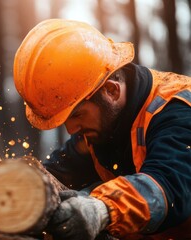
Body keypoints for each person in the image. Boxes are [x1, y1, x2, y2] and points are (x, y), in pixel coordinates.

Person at [13, 19, 191, 239]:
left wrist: (102, 209)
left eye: (76, 115)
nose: (71, 129)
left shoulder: (177, 111)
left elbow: (169, 187)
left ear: (111, 91)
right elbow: (58, 172)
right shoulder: (100, 126)